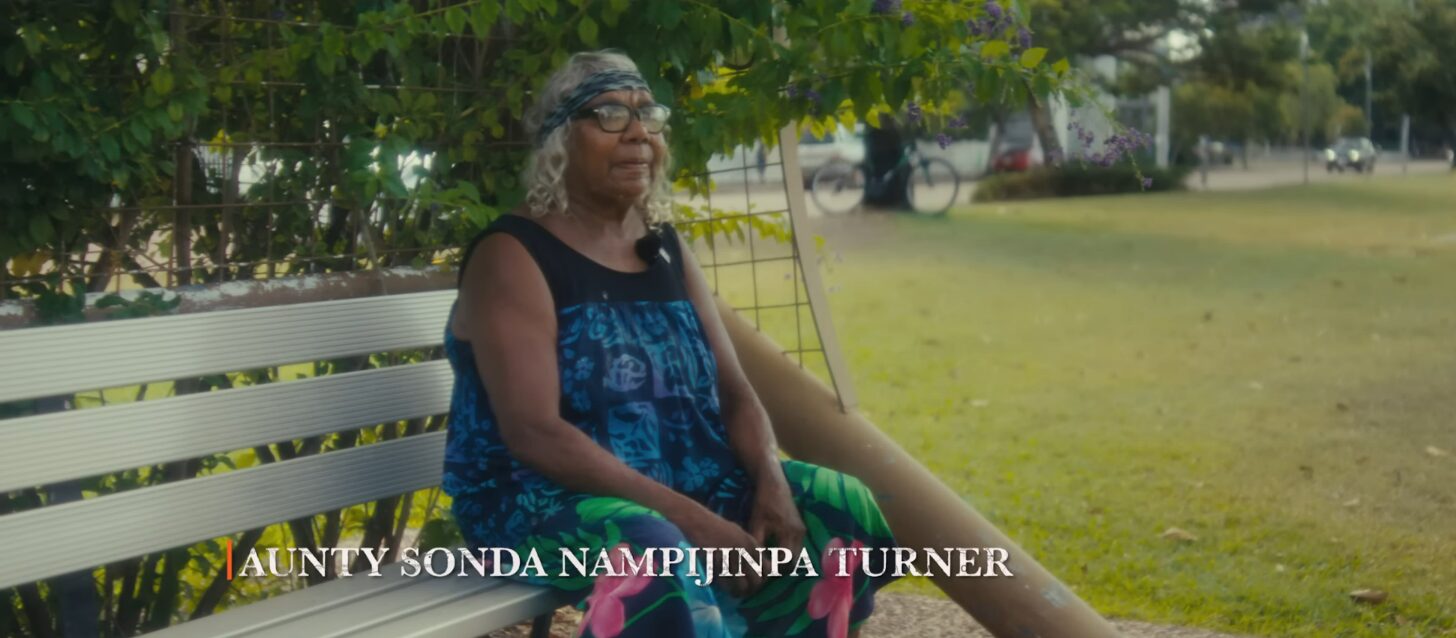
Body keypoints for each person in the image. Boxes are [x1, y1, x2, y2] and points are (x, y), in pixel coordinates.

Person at [443, 50, 899, 638]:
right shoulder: (513, 255)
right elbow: (535, 433)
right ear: (559, 140)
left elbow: (734, 391)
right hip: (534, 506)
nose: (637, 133)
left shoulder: (662, 245)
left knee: (835, 501)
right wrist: (692, 520)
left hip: (688, 484)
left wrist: (771, 479)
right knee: (654, 548)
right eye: (608, 114)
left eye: (646, 114)